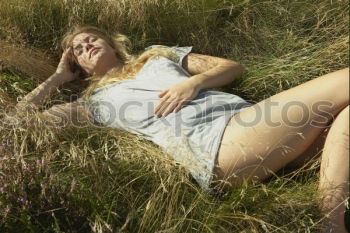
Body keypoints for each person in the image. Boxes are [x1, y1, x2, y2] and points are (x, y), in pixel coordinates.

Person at [15, 26, 349, 233]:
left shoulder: (158, 55)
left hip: (248, 124)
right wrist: (57, 79)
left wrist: (194, 85)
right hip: (216, 146)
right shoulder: (92, 104)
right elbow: (19, 122)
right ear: (76, 66)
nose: (86, 44)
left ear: (111, 43)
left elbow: (231, 67)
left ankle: (330, 218)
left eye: (91, 38)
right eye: (77, 48)